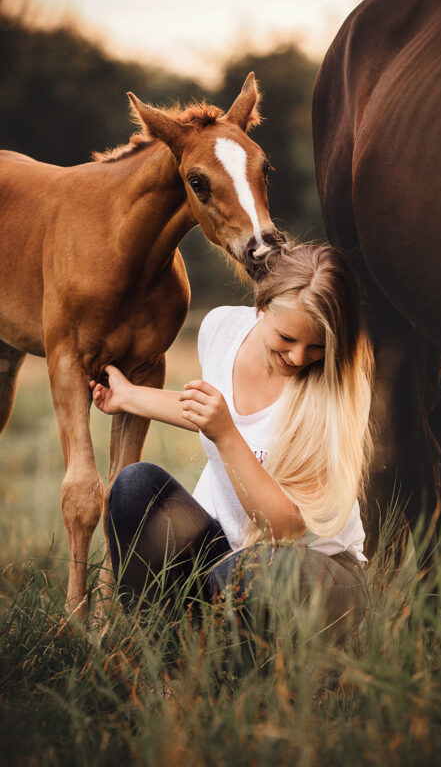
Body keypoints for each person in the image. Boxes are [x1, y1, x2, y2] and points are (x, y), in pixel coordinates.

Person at [90, 244, 373, 641]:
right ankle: (163, 655)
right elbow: (213, 411)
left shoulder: (337, 388)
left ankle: (232, 665)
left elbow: (285, 531)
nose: (297, 357)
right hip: (227, 555)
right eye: (286, 338)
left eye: (316, 346)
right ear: (263, 307)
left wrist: (226, 435)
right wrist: (127, 396)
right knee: (135, 485)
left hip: (312, 572)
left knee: (247, 573)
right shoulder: (221, 330)